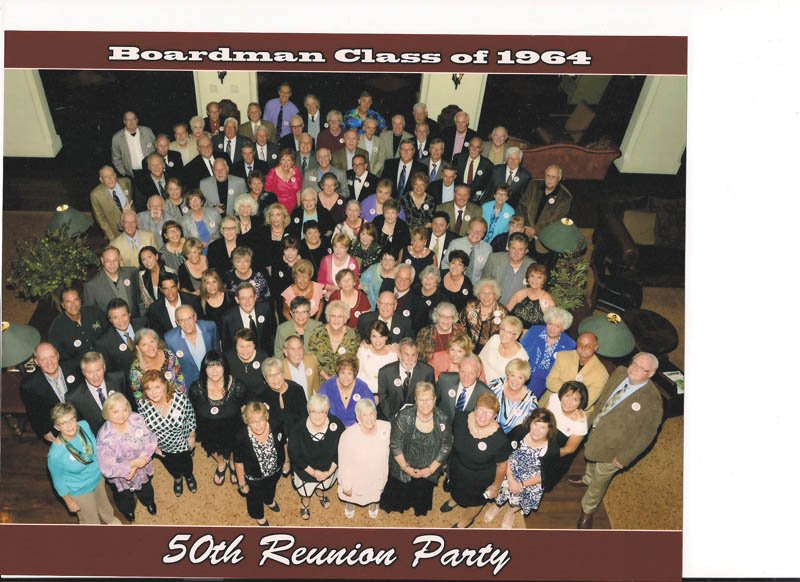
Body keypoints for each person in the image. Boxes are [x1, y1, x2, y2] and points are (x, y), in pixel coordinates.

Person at [569, 353, 663, 529]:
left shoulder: (653, 402)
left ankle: (588, 510)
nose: (633, 369)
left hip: (614, 451)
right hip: (595, 432)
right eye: (634, 363)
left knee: (599, 483)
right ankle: (587, 478)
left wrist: (624, 458)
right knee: (590, 459)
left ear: (650, 374)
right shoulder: (620, 372)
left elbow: (646, 436)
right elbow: (604, 398)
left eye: (641, 368)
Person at [379, 382, 452, 516]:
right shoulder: (404, 416)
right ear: (415, 400)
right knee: (397, 497)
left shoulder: (442, 419)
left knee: (421, 494)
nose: (425, 404)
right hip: (403, 467)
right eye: (421, 400)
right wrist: (405, 468)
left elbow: (446, 446)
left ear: (435, 400)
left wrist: (430, 470)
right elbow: (395, 444)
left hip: (427, 470)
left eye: (428, 399)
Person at [440, 392, 511, 528]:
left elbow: (502, 466)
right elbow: (452, 441)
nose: (483, 416)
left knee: (475, 502)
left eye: (489, 412)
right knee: (456, 488)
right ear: (475, 408)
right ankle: (455, 500)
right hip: (458, 468)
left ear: (495, 416)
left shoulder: (500, 440)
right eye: (481, 410)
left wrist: (495, 487)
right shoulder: (461, 418)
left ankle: (467, 520)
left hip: (479, 480)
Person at [47, 403, 120, 524]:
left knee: (104, 503)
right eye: (63, 423)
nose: (69, 425)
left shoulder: (84, 425)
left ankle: (110, 519)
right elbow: (58, 481)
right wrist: (69, 501)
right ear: (57, 427)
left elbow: (95, 449)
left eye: (71, 419)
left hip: (98, 477)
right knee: (90, 520)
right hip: (80, 489)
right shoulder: (55, 454)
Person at [486, 408, 559, 529]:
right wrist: (511, 479)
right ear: (530, 422)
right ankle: (497, 505)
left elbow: (545, 475)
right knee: (500, 484)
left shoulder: (553, 449)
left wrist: (521, 484)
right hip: (509, 470)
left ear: (549, 430)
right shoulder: (519, 431)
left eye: (543, 427)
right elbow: (505, 454)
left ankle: (511, 512)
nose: (537, 431)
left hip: (531, 481)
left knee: (526, 496)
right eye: (535, 424)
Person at [188, 350, 248, 488]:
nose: (214, 370)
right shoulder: (196, 388)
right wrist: (192, 433)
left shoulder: (238, 387)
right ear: (204, 369)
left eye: (218, 365)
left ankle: (232, 463)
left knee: (235, 447)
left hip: (233, 428)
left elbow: (245, 408)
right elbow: (191, 411)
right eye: (210, 366)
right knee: (211, 447)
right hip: (208, 429)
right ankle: (221, 463)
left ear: (225, 367)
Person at [97, 392, 158, 522]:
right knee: (124, 497)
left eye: (124, 409)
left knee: (146, 488)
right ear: (107, 413)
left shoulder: (137, 419)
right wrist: (131, 465)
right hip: (120, 478)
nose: (122, 415)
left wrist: (139, 463)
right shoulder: (104, 437)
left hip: (142, 467)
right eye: (115, 411)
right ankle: (128, 510)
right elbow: (107, 468)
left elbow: (151, 440)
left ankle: (148, 502)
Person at [138, 370, 197, 497]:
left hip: (183, 442)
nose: (153, 392)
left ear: (165, 385)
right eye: (148, 388)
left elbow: (191, 416)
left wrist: (192, 436)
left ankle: (189, 476)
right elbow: (144, 430)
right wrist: (153, 447)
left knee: (187, 463)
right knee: (171, 465)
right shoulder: (143, 405)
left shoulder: (180, 399)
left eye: (157, 387)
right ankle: (177, 478)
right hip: (162, 446)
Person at [288, 393, 344, 521]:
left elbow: (340, 451)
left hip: (328, 469)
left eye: (322, 412)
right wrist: (313, 472)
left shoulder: (336, 425)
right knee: (306, 492)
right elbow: (295, 455)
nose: (318, 416)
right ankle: (305, 503)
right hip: (306, 470)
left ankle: (320, 494)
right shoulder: (298, 429)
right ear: (308, 411)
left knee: (322, 486)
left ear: (327, 411)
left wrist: (329, 472)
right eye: (314, 411)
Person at [233, 401, 286, 526]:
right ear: (247, 422)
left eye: (261, 420)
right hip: (254, 478)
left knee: (271, 488)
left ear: (266, 417)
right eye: (253, 421)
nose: (258, 425)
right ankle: (258, 515)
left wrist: (287, 462)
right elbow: (238, 462)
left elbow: (284, 443)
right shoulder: (241, 437)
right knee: (254, 498)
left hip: (275, 471)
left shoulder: (276, 425)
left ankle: (269, 500)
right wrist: (242, 484)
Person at [337, 398, 390, 519]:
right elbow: (344, 464)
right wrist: (346, 485)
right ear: (358, 417)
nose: (369, 418)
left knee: (375, 493)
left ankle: (373, 504)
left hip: (377, 474)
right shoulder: (348, 436)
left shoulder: (386, 427)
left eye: (371, 414)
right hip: (357, 477)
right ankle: (350, 504)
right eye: (364, 415)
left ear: (376, 414)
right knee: (352, 495)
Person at [541, 332, 609, 422]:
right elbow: (550, 382)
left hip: (575, 415)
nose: (583, 348)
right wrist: (575, 395)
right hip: (550, 403)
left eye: (588, 345)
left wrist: (566, 392)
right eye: (580, 344)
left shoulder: (602, 373)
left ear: (596, 348)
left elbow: (587, 401)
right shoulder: (563, 356)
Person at [67, 351, 133, 436]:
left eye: (98, 370)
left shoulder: (119, 379)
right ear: (83, 372)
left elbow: (131, 406)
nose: (95, 376)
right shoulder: (74, 398)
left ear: (104, 367)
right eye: (90, 372)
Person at [520, 307, 577, 399]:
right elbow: (520, 349)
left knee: (526, 401)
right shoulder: (535, 330)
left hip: (542, 381)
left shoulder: (569, 344)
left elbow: (563, 369)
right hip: (521, 371)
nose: (552, 329)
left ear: (563, 328)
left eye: (557, 326)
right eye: (550, 324)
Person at [47, 287, 107, 372]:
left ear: (80, 301)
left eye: (75, 300)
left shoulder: (94, 312)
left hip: (105, 362)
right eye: (68, 302)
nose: (73, 305)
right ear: (63, 305)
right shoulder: (56, 329)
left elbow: (109, 333)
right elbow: (60, 358)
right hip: (81, 370)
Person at [376, 338, 435, 421]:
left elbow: (430, 399)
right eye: (406, 355)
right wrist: (394, 420)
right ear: (399, 354)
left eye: (413, 355)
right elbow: (383, 399)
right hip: (390, 418)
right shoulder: (385, 372)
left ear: (417, 355)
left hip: (418, 419)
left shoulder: (427, 372)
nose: (410, 359)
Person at [545, 381, 589, 488]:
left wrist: (544, 455)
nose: (568, 402)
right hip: (541, 441)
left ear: (580, 403)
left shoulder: (580, 424)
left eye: (575, 399)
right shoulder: (554, 399)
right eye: (567, 396)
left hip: (557, 455)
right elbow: (542, 418)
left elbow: (569, 449)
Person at [164, 305, 220, 387]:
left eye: (189, 318)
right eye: (182, 320)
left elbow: (217, 352)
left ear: (195, 317)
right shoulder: (170, 339)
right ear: (177, 322)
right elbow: (172, 366)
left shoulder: (210, 327)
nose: (187, 323)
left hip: (213, 379)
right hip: (189, 384)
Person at [486, 358, 539, 441]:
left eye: (520, 378)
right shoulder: (495, 385)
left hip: (511, 440)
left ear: (525, 379)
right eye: (512, 375)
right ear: (508, 375)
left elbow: (527, 429)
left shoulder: (531, 402)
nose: (515, 381)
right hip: (486, 430)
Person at [83, 246, 143, 318]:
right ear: (102, 260)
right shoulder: (91, 286)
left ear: (120, 259)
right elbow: (91, 314)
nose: (112, 264)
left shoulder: (132, 273)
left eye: (115, 260)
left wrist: (142, 320)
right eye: (108, 261)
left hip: (136, 321)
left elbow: (140, 300)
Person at [307, 300, 361, 380]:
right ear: (328, 318)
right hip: (320, 380)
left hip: (345, 380)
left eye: (340, 316)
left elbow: (356, 361)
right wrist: (326, 377)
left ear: (345, 319)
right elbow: (311, 358)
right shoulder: (317, 333)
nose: (336, 320)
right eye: (333, 316)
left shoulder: (353, 335)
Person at [518, 164, 573, 242]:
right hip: (525, 230)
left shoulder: (565, 197)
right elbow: (522, 206)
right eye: (548, 176)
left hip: (546, 237)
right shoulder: (533, 185)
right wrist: (526, 226)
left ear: (559, 178)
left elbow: (557, 220)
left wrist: (535, 230)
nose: (550, 179)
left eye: (553, 177)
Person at [318, 353, 375, 427]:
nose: (346, 377)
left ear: (354, 374)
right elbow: (318, 409)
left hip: (357, 428)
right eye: (343, 373)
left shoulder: (362, 387)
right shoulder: (328, 386)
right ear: (338, 372)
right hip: (332, 427)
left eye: (350, 373)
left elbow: (371, 412)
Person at [129, 328, 185, 401]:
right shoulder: (136, 371)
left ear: (156, 341)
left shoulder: (169, 356)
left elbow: (180, 379)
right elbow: (139, 397)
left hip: (177, 400)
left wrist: (179, 400)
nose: (150, 347)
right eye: (144, 345)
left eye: (152, 342)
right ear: (138, 348)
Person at [480, 233, 536, 306]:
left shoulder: (532, 266)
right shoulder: (494, 259)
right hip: (493, 305)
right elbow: (483, 284)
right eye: (513, 248)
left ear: (526, 251)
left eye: (520, 249)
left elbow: (533, 291)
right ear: (508, 248)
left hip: (518, 309)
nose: (516, 253)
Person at [436, 354, 491, 423]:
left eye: (471, 373)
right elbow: (434, 403)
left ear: (478, 374)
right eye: (463, 372)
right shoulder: (445, 380)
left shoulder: (486, 394)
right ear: (458, 370)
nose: (466, 377)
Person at [261, 357, 308, 437]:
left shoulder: (297, 389)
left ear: (283, 374)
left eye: (277, 374)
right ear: (266, 379)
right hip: (274, 439)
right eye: (270, 376)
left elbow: (305, 419)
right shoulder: (260, 395)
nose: (275, 379)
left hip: (298, 436)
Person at [146, 271, 202, 337]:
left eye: (172, 287)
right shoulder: (155, 308)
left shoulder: (193, 301)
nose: (170, 292)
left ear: (178, 286)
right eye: (166, 289)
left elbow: (201, 324)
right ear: (161, 289)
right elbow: (157, 334)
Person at [459, 278, 509, 352]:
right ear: (478, 294)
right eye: (483, 293)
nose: (486, 296)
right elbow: (460, 326)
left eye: (490, 293)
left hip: (491, 351)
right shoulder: (470, 306)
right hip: (468, 349)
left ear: (495, 295)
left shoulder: (503, 313)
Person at [440, 217, 492, 285]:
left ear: (483, 234)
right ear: (468, 230)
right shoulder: (455, 244)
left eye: (480, 232)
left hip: (476, 287)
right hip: (454, 284)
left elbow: (487, 273)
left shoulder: (487, 249)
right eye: (473, 230)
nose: (476, 234)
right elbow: (445, 265)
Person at [479, 316, 529, 384]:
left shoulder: (521, 357)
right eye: (503, 329)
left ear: (516, 336)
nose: (504, 334)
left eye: (509, 332)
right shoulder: (495, 339)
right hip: (479, 378)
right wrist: (481, 378)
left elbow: (514, 383)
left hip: (497, 388)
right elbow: (480, 359)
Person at [356, 320, 398, 400]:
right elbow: (358, 375)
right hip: (364, 393)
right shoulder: (363, 350)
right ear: (370, 337)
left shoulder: (393, 354)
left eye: (381, 336)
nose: (378, 341)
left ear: (386, 337)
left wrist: (380, 397)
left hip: (386, 396)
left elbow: (393, 381)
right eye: (374, 336)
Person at [506, 264, 556, 330]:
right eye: (532, 276)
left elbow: (550, 327)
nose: (535, 280)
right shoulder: (520, 293)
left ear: (543, 281)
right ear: (528, 278)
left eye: (539, 277)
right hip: (511, 331)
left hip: (533, 335)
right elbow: (505, 311)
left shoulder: (549, 302)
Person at [224, 328, 270, 400]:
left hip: (259, 398)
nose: (245, 351)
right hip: (236, 399)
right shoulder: (229, 358)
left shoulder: (263, 358)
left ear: (254, 345)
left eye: (249, 346)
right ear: (235, 346)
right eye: (241, 346)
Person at [90, 165, 132, 241]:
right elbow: (101, 220)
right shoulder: (96, 195)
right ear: (101, 180)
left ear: (115, 175)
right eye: (106, 177)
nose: (110, 179)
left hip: (133, 225)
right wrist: (112, 238)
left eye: (111, 175)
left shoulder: (126, 182)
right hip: (116, 233)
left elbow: (131, 199)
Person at [111, 110, 155, 179]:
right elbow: (116, 159)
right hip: (133, 174)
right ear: (124, 122)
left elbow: (156, 148)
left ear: (137, 120)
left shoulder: (147, 131)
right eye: (128, 120)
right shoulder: (117, 138)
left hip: (152, 170)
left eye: (133, 119)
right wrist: (124, 173)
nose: (131, 122)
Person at [406, 265, 446, 334]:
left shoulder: (441, 298)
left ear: (436, 281)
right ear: (421, 279)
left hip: (431, 333)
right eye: (425, 277)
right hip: (411, 330)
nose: (428, 281)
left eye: (431, 278)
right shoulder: (414, 290)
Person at [281, 334, 322, 399]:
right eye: (292, 349)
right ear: (285, 352)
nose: (297, 353)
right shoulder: (280, 368)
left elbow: (316, 386)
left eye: (299, 348)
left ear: (303, 350)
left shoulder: (312, 361)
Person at [264, 148, 301, 213]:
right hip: (277, 210)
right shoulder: (273, 173)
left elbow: (298, 191)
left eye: (288, 160)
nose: (285, 163)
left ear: (292, 162)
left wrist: (299, 207)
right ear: (280, 161)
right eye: (283, 159)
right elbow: (267, 193)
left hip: (293, 209)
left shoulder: (297, 172)